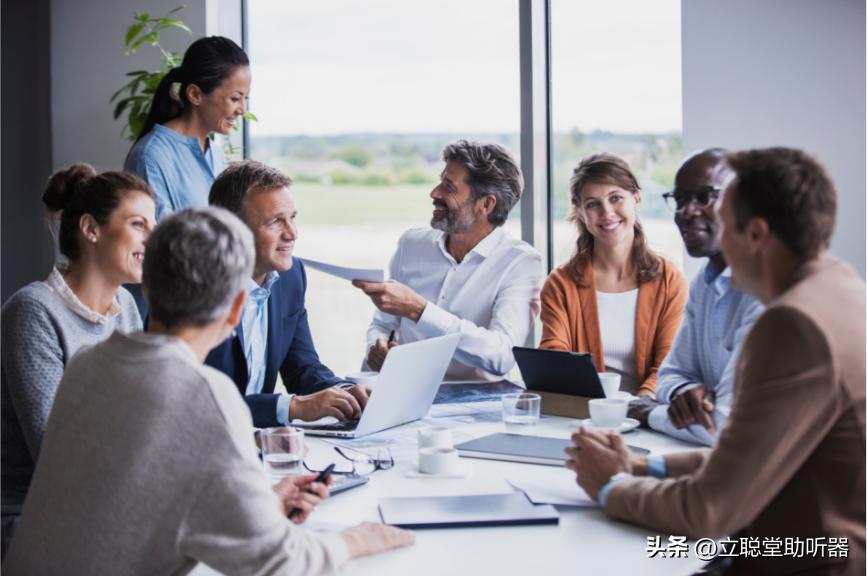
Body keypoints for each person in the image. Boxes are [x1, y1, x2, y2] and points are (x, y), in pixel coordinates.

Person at [2, 208, 414, 575]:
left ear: (147, 288)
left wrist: (258, 505)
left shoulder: (90, 364)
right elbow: (278, 561)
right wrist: (357, 540)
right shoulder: (206, 394)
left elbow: (134, 496)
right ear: (237, 309)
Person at [566, 147, 865, 575]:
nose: (712, 235)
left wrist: (610, 486)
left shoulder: (792, 326)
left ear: (756, 235)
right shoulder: (837, 286)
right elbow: (749, 453)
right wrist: (644, 464)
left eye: (724, 221)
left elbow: (707, 510)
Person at [0, 164, 155, 555]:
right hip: (30, 518)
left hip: (101, 504)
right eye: (139, 224)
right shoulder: (33, 312)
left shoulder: (126, 310)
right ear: (90, 229)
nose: (152, 240)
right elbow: (58, 457)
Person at [354, 140, 542, 381]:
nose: (434, 193)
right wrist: (376, 346)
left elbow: (502, 355)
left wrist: (420, 311)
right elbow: (383, 323)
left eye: (449, 186)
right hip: (402, 391)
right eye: (440, 181)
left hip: (473, 407)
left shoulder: (520, 263)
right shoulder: (411, 244)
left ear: (486, 204)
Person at [206, 160, 370, 427]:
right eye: (275, 222)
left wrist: (346, 392)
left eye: (292, 218)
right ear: (231, 229)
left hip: (261, 445)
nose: (292, 233)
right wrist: (292, 407)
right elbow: (200, 403)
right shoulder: (194, 290)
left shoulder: (290, 276)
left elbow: (302, 368)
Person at [628, 149, 763, 445]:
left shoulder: (766, 291)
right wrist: (682, 394)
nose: (687, 212)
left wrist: (648, 413)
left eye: (704, 197)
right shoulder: (705, 282)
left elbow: (725, 426)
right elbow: (671, 373)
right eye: (680, 199)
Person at [540, 153, 687, 396]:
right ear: (580, 212)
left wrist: (640, 407)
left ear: (636, 199)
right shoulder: (560, 284)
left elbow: (668, 363)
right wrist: (601, 410)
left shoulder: (669, 280)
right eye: (592, 204)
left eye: (616, 198)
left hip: (648, 412)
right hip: (583, 413)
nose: (607, 212)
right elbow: (555, 358)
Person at [124, 35, 250, 221]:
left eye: (245, 98)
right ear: (195, 94)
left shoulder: (215, 153)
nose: (242, 110)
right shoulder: (150, 156)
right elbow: (159, 239)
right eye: (234, 98)